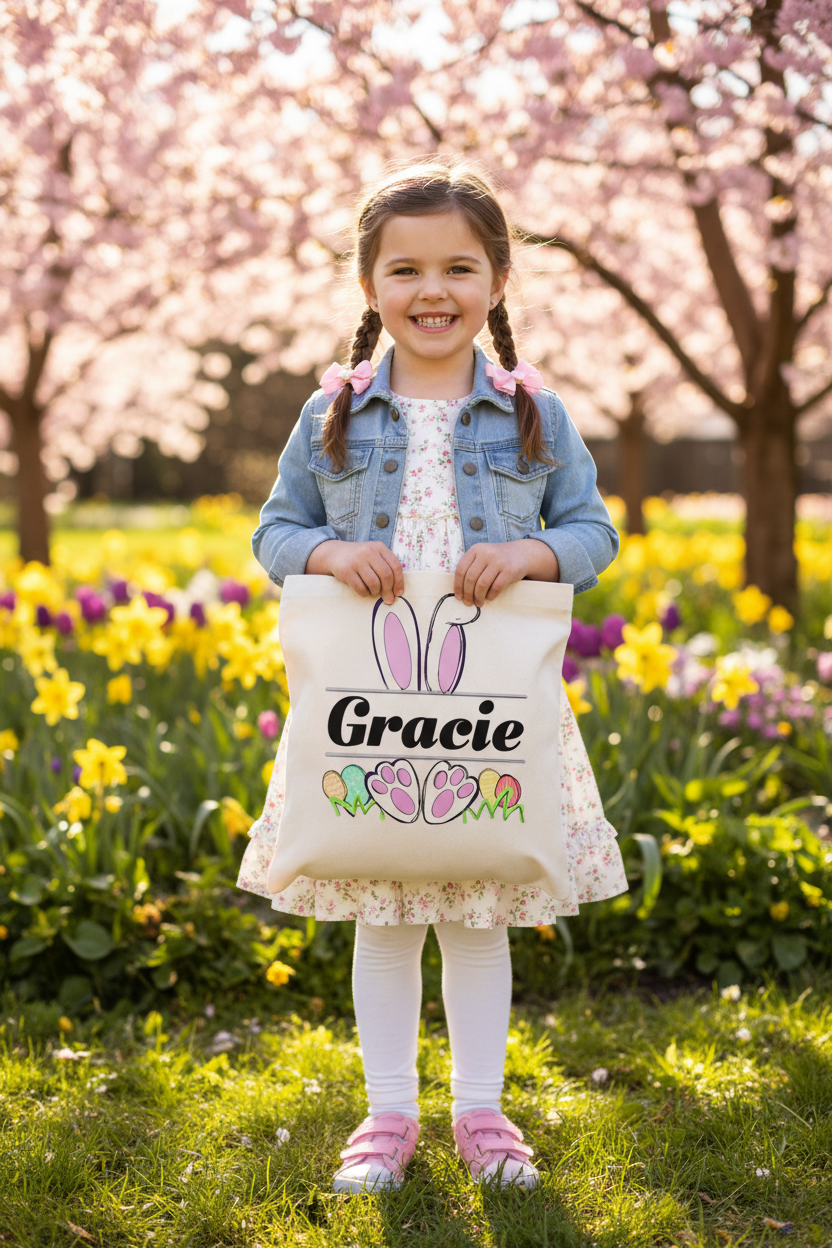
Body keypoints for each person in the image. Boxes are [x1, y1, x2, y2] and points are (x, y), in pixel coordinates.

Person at [238, 161, 628, 1194]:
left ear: (497, 280)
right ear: (370, 286)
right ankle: (386, 1114)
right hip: (372, 700)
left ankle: (482, 1115)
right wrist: (325, 556)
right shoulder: (333, 413)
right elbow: (275, 530)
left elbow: (593, 529)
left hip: (485, 699)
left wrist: (533, 557)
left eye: (459, 266)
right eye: (404, 269)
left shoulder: (530, 414)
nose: (432, 290)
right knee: (385, 908)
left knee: (479, 905)